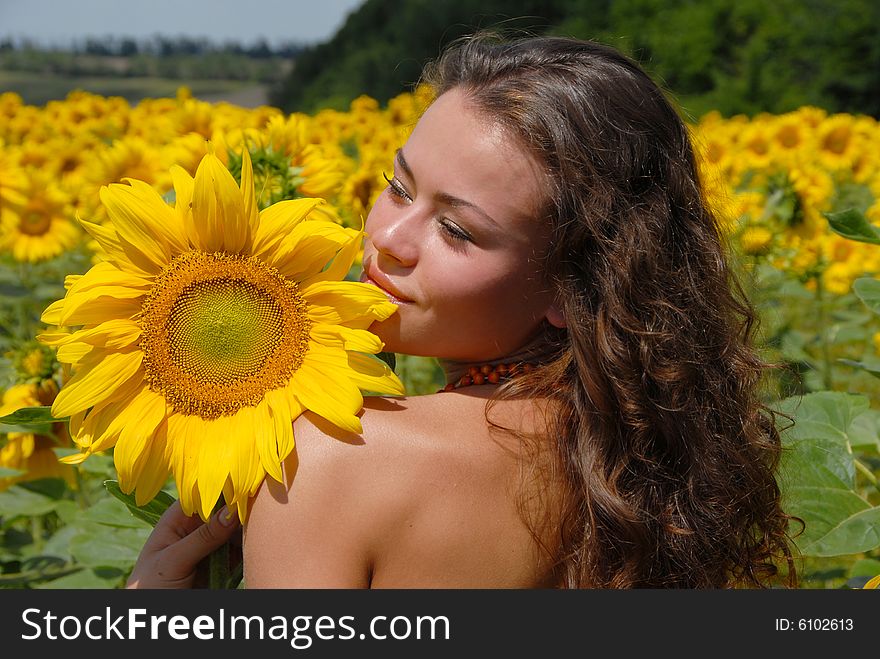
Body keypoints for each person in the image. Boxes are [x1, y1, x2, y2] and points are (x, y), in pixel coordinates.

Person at [126, 34, 797, 589]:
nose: (388, 239)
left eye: (458, 231)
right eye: (397, 186)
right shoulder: (643, 459)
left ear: (572, 287)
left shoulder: (335, 456)